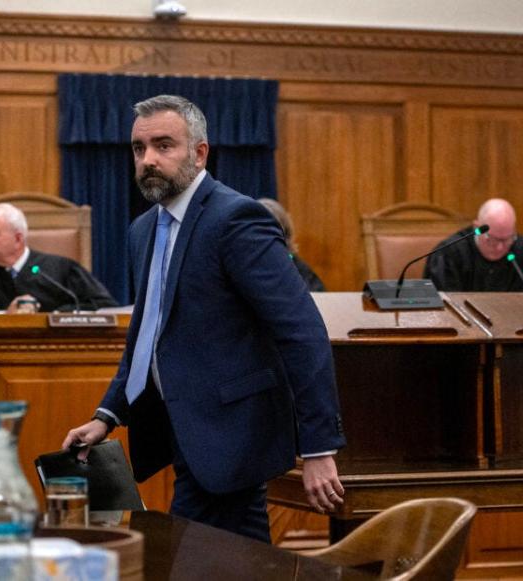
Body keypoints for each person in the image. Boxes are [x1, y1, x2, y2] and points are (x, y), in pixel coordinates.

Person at [62, 95, 346, 542]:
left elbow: (302, 331)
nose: (149, 160)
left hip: (233, 436)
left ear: (199, 152)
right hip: (183, 431)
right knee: (233, 560)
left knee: (192, 554)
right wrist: (108, 413)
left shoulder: (236, 219)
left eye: (163, 146)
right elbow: (147, 334)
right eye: (139, 149)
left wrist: (318, 447)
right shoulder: (142, 231)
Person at [0, 203, 118, 313]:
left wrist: (57, 313)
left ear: (18, 239)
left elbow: (105, 305)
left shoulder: (61, 269)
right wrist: (5, 315)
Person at [423, 198, 523, 292]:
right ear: (477, 228)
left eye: (507, 239)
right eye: (492, 240)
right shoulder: (449, 254)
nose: (500, 247)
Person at [258, 198, 326, 292]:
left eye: (272, 232)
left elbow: (317, 299)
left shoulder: (299, 270)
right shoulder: (240, 267)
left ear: (285, 235)